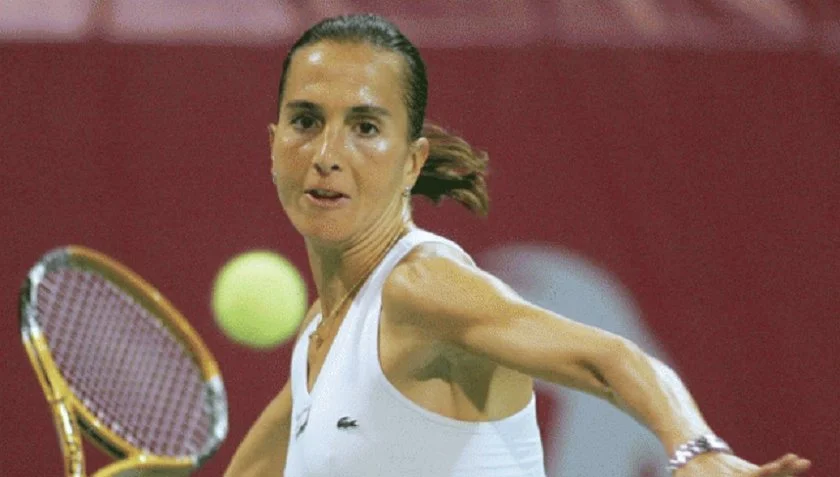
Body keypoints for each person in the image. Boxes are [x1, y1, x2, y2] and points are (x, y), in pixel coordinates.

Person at [225, 13, 811, 477]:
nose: (326, 154)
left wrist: (696, 450)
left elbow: (612, 358)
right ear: (274, 144)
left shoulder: (418, 287)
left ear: (412, 162)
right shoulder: (320, 333)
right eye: (305, 121)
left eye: (366, 127)